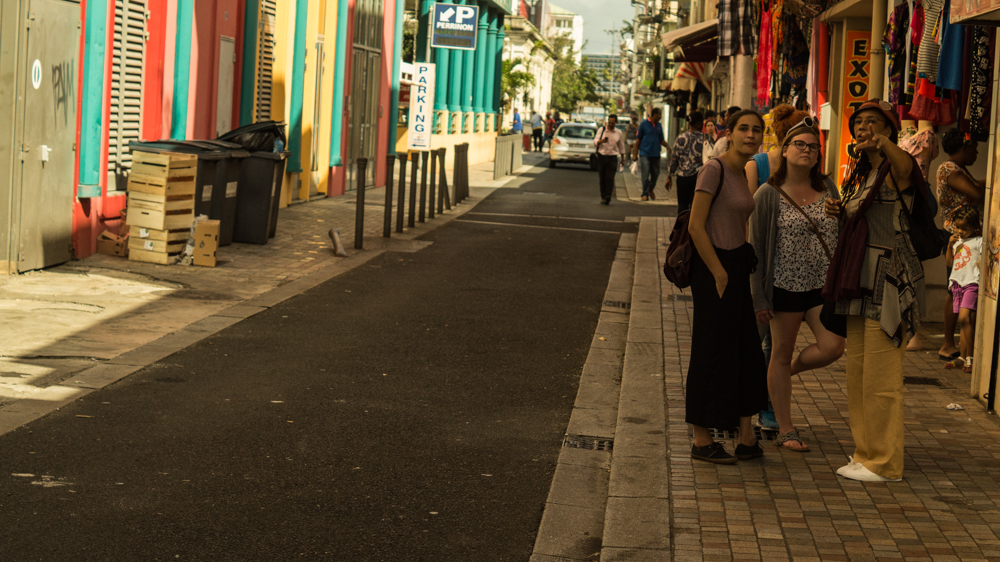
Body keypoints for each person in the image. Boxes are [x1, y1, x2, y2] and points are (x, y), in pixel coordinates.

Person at [824, 99, 927, 483]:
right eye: (860, 123)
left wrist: (884, 142)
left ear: (888, 130)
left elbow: (907, 168)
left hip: (889, 280)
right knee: (860, 373)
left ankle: (885, 462)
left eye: (874, 122)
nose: (864, 128)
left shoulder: (894, 166)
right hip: (860, 279)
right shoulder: (862, 172)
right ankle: (864, 453)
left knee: (882, 376)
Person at [749, 121, 845, 452]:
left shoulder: (829, 188)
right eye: (799, 145)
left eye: (813, 146)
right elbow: (757, 250)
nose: (806, 150)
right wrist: (758, 296)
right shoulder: (767, 194)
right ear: (784, 150)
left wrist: (842, 215)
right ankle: (786, 429)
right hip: (783, 287)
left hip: (821, 286)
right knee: (779, 351)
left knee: (833, 346)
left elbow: (842, 233)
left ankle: (782, 375)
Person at [686, 109, 769, 464]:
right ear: (730, 134)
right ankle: (702, 439)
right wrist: (719, 273)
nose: (751, 135)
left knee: (745, 350)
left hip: (736, 266)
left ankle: (745, 436)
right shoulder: (714, 169)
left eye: (757, 130)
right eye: (744, 129)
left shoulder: (741, 171)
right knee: (711, 351)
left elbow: (737, 219)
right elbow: (695, 225)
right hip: (713, 269)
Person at [745, 104, 813, 431]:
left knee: (776, 348)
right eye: (801, 139)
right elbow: (750, 220)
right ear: (788, 139)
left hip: (791, 274)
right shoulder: (757, 166)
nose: (807, 147)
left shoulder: (807, 168)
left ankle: (768, 409)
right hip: (763, 266)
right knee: (750, 343)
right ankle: (742, 405)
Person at [936, 130, 985, 362]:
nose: (976, 152)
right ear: (963, 147)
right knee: (954, 286)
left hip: (966, 237)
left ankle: (956, 343)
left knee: (962, 285)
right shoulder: (949, 169)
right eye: (974, 147)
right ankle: (947, 343)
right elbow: (975, 191)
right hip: (958, 237)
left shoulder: (960, 170)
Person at [943, 206, 983, 373]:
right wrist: (949, 246)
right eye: (958, 227)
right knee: (963, 321)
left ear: (975, 228)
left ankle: (970, 358)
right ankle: (962, 357)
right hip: (958, 283)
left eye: (964, 229)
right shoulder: (957, 241)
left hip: (972, 283)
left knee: (965, 318)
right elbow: (949, 263)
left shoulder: (979, 241)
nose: (960, 231)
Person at [667, 111, 707, 214]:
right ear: (699, 124)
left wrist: (669, 176)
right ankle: (693, 228)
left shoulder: (681, 137)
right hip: (700, 176)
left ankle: (681, 227)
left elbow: (674, 158)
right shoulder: (705, 138)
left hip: (682, 177)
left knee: (682, 206)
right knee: (696, 206)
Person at [631, 107, 671, 201]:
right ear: (654, 115)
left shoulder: (659, 126)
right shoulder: (644, 124)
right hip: (645, 153)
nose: (660, 116)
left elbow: (661, 139)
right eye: (659, 114)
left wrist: (667, 146)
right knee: (645, 174)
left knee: (656, 174)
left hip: (656, 154)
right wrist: (634, 154)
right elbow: (638, 140)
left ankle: (650, 189)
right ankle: (644, 194)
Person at [594, 114, 625, 205]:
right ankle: (603, 196)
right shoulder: (602, 130)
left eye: (612, 123)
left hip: (612, 158)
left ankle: (608, 196)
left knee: (610, 178)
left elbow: (621, 146)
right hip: (602, 156)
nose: (610, 125)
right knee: (602, 177)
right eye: (609, 122)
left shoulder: (618, 133)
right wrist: (601, 141)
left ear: (615, 123)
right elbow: (595, 141)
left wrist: (623, 159)